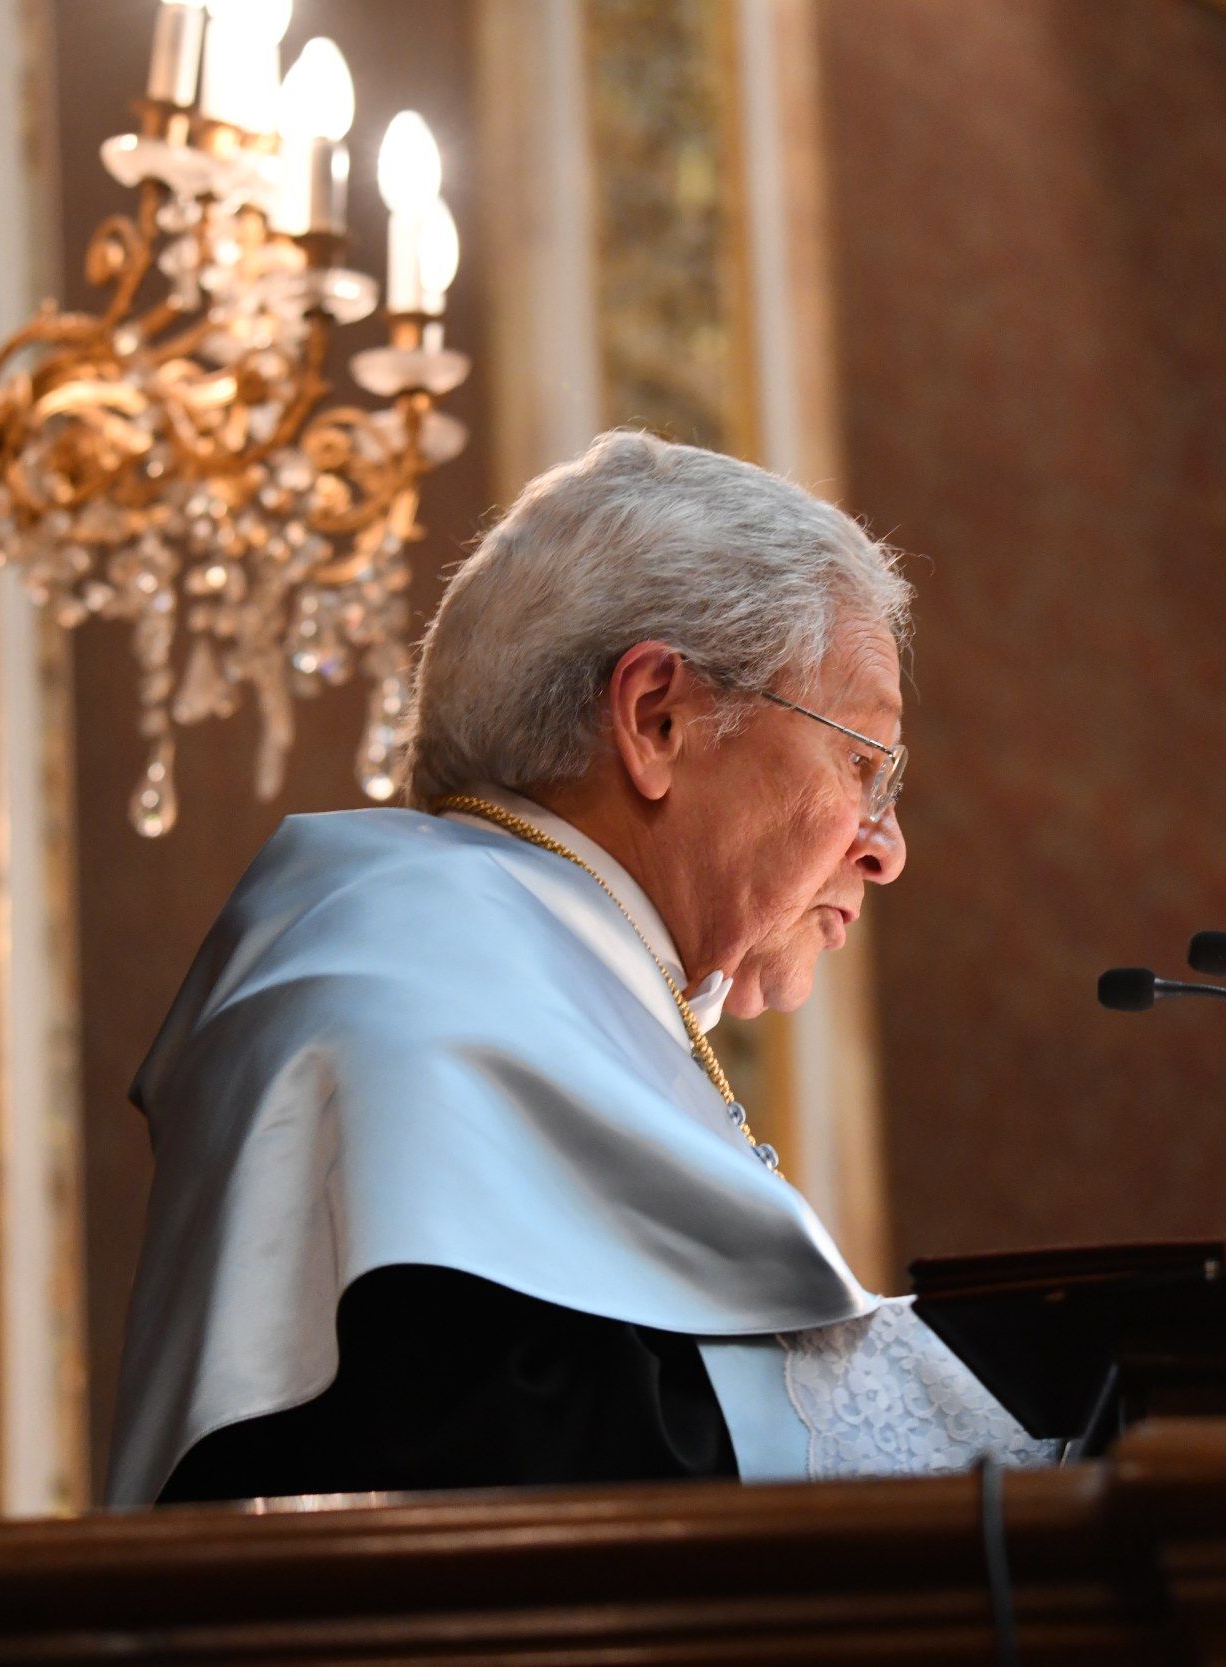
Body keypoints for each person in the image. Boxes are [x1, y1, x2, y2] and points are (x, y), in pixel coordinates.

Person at [105, 431, 1051, 1507]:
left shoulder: (506, 957)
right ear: (657, 717)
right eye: (862, 762)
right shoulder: (411, 972)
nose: (886, 846)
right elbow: (523, 1454)